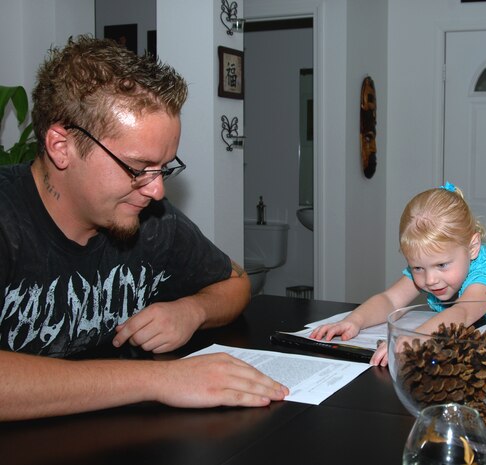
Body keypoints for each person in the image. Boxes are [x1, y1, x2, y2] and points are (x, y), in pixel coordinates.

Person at [0, 36, 288, 421]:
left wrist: (192, 311)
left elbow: (235, 283)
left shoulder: (150, 219)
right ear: (60, 146)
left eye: (164, 168)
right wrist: (161, 380)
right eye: (138, 168)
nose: (156, 190)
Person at [310, 183, 486, 366]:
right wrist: (354, 321)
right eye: (418, 268)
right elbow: (390, 299)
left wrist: (414, 337)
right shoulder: (433, 266)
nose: (430, 280)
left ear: (472, 247)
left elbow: (462, 312)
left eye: (442, 265)